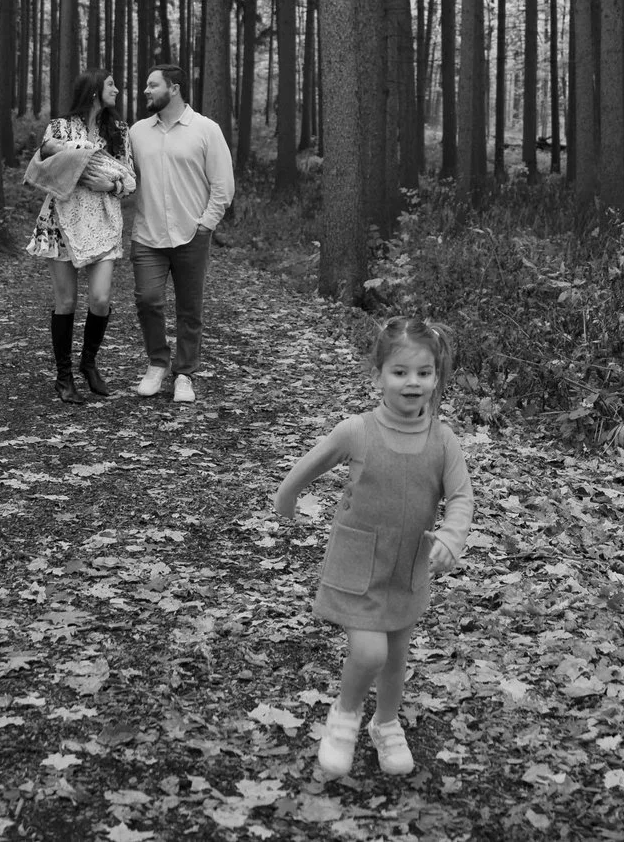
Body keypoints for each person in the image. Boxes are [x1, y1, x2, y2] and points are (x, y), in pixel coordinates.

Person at [271, 318, 473, 781]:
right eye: (400, 372)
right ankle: (344, 716)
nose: (412, 383)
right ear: (379, 374)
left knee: (396, 657)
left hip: (408, 566)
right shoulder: (357, 430)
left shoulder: (444, 440)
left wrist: (451, 535)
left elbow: (461, 496)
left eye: (423, 373)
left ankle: (386, 723)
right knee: (369, 653)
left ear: (436, 378)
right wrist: (286, 500)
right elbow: (310, 465)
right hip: (359, 561)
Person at [124, 63, 235, 404]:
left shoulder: (206, 129)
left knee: (190, 309)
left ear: (173, 89)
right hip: (147, 236)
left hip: (192, 235)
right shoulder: (137, 133)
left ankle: (184, 373)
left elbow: (223, 185)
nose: (146, 90)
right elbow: (124, 180)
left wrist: (205, 226)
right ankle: (158, 362)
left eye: (152, 84)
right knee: (148, 300)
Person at [24, 70, 136, 405]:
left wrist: (111, 185)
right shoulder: (59, 127)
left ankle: (88, 362)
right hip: (62, 221)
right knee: (67, 302)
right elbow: (45, 164)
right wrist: (75, 156)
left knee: (100, 299)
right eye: (110, 84)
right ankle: (63, 376)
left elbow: (129, 179)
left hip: (103, 220)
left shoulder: (118, 130)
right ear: (93, 91)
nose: (116, 89)